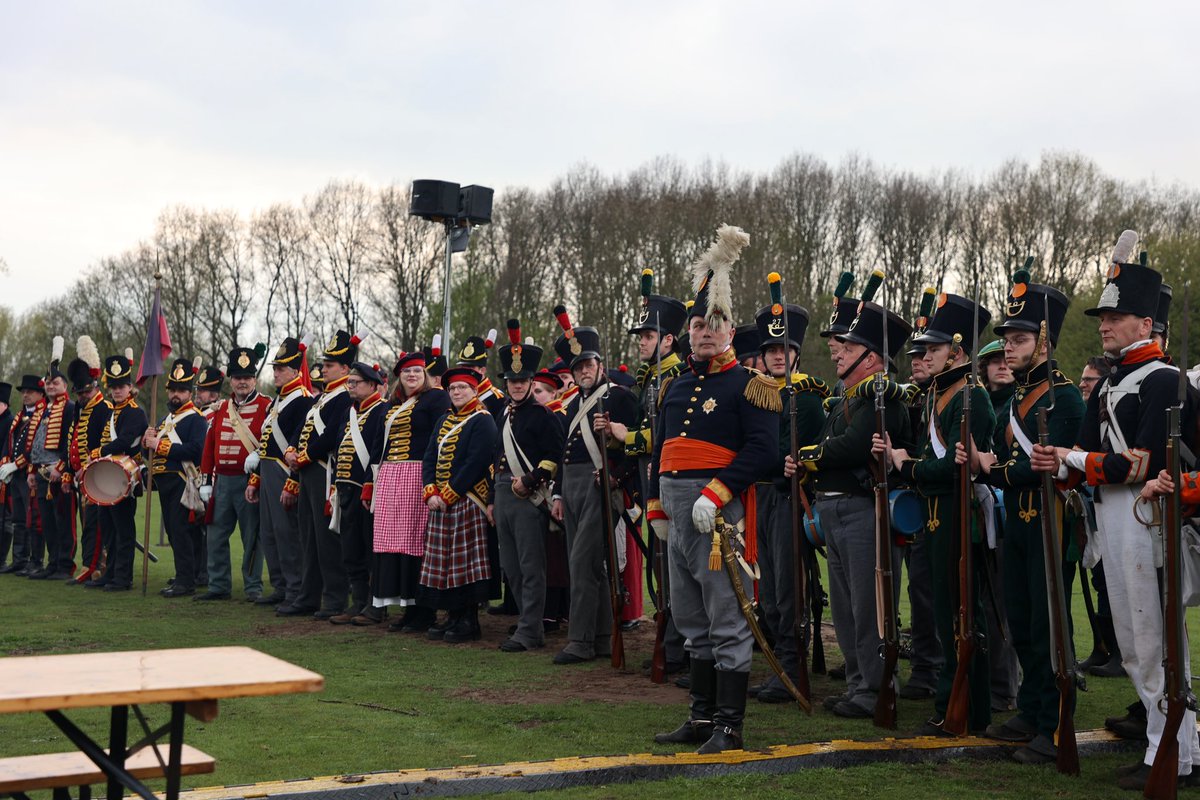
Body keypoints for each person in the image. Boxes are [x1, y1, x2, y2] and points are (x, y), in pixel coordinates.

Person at [1030, 253, 1200, 790]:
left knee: (1156, 644)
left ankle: (1174, 753)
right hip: (1112, 521)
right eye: (1103, 318)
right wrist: (1057, 464)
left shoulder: (1164, 381)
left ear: (1144, 324)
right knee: (1132, 645)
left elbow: (1141, 463)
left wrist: (1072, 460)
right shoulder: (1105, 386)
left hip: (1147, 520)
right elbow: (1082, 455)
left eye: (1114, 317)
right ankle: (1169, 747)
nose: (1103, 325)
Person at [647, 225, 780, 753]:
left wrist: (717, 493)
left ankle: (730, 723)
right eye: (699, 324)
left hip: (718, 514)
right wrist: (656, 506)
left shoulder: (751, 385)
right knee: (689, 615)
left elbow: (764, 452)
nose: (705, 333)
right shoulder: (676, 385)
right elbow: (661, 450)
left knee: (727, 616)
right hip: (677, 513)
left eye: (715, 324)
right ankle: (701, 718)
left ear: (730, 332)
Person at [966, 269, 1084, 765]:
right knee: (1018, 618)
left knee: (1047, 624)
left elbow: (1033, 466)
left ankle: (1055, 722)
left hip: (1051, 521)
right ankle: (1032, 710)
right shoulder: (1016, 395)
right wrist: (1001, 469)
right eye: (1007, 340)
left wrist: (1000, 470)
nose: (1008, 349)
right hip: (1018, 519)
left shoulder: (1065, 397)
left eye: (1019, 339)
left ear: (1044, 343)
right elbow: (1006, 463)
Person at [877, 292, 995, 736]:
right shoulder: (938, 396)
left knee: (964, 614)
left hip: (955, 514)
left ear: (958, 353)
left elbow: (956, 469)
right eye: (923, 349)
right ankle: (952, 700)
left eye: (933, 349)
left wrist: (906, 465)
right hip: (933, 513)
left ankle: (967, 705)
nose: (922, 356)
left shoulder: (972, 398)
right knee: (946, 613)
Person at [788, 296, 912, 719]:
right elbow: (830, 443)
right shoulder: (846, 399)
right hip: (834, 511)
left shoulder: (883, 399)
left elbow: (853, 445)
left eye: (847, 345)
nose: (836, 351)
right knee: (844, 608)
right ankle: (859, 682)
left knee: (868, 607)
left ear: (873, 357)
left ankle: (877, 687)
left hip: (864, 511)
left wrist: (807, 455)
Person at [750, 289, 827, 704]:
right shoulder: (755, 393)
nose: (779, 356)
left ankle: (791, 666)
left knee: (787, 589)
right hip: (758, 499)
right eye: (771, 350)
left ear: (796, 353)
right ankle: (780, 665)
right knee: (771, 590)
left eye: (786, 349)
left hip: (786, 499)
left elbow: (806, 452)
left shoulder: (809, 398)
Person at [549, 308, 638, 665]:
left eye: (588, 364)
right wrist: (557, 493)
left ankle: (580, 640)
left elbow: (636, 448)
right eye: (578, 367)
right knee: (591, 565)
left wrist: (617, 476)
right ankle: (601, 638)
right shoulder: (573, 404)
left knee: (582, 561)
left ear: (600, 364)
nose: (584, 371)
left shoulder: (620, 397)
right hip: (571, 485)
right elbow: (562, 451)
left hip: (602, 485)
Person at [624, 273, 689, 675]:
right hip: (653, 482)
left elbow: (669, 436)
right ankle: (671, 644)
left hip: (675, 482)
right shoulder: (650, 378)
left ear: (667, 341)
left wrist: (627, 437)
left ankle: (681, 650)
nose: (642, 342)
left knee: (677, 568)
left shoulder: (678, 377)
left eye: (648, 336)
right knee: (662, 568)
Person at [491, 321, 564, 652]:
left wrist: (531, 480)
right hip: (503, 494)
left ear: (531, 381)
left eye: (522, 381)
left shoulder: (543, 415)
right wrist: (494, 498)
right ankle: (527, 621)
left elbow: (554, 458)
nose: (517, 385)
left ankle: (531, 630)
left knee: (531, 566)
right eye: (512, 381)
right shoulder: (503, 415)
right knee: (511, 567)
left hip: (527, 496)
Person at [370, 351, 450, 632]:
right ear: (399, 377)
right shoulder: (391, 405)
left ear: (425, 374)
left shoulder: (436, 398)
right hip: (391, 477)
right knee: (393, 542)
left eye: (417, 371)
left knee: (416, 541)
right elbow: (379, 445)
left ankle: (423, 610)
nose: (412, 375)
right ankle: (407, 608)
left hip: (418, 475)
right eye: (406, 372)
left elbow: (442, 437)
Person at [420, 366, 499, 643]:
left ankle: (468, 620)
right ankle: (452, 615)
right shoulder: (444, 419)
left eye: (462, 388)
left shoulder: (483, 420)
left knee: (465, 564)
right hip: (440, 501)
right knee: (445, 563)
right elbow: (430, 456)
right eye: (452, 389)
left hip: (468, 499)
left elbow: (476, 462)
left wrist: (449, 494)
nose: (456, 392)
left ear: (475, 391)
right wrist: (430, 491)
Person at [286, 330, 358, 619]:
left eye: (329, 365)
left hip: (324, 470)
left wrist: (303, 456)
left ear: (344, 368)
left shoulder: (343, 397)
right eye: (324, 364)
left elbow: (331, 436)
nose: (324, 368)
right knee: (309, 538)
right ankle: (308, 595)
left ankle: (334, 598)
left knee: (327, 540)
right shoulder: (323, 396)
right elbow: (303, 428)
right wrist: (292, 449)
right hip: (307, 471)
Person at [198, 345, 271, 602]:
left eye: (248, 377)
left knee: (252, 536)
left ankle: (253, 587)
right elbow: (209, 449)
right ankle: (219, 585)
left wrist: (259, 454)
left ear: (255, 379)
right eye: (238, 377)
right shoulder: (221, 409)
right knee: (216, 535)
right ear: (231, 379)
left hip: (250, 481)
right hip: (222, 482)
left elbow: (272, 442)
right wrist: (206, 481)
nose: (243, 382)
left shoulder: (266, 406)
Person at [247, 337, 315, 613]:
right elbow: (266, 442)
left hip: (285, 471)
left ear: (296, 371)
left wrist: (291, 482)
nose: (275, 372)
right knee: (269, 533)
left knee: (288, 534)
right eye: (275, 368)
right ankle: (280, 586)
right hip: (267, 470)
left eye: (281, 368)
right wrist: (255, 478)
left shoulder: (303, 401)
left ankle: (295, 588)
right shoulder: (278, 401)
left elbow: (300, 442)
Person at [898, 288, 942, 701]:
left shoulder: (948, 399)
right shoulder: (915, 401)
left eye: (927, 354)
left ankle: (932, 669)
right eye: (914, 357)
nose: (919, 363)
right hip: (915, 507)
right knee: (919, 591)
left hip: (941, 504)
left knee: (933, 594)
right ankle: (926, 666)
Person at [976, 337, 1020, 714]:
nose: (1002, 365)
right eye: (993, 362)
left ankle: (1005, 688)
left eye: (1005, 359)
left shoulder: (1018, 404)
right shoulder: (981, 404)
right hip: (983, 508)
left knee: (1002, 606)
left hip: (1009, 509)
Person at [143, 357, 208, 597]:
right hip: (164, 482)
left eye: (181, 390)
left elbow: (196, 451)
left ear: (189, 393)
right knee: (173, 531)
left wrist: (159, 445)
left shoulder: (196, 419)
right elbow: (149, 452)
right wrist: (145, 442)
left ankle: (186, 581)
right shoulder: (164, 420)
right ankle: (184, 575)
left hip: (182, 480)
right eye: (173, 390)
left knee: (181, 531)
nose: (176, 395)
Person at [328, 361, 387, 624]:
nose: (350, 386)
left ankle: (376, 606)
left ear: (372, 385)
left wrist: (369, 485)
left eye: (356, 382)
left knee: (371, 549)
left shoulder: (381, 411)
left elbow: (378, 453)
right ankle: (359, 602)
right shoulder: (349, 412)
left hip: (367, 490)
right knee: (350, 548)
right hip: (345, 488)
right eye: (349, 382)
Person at [87, 351, 148, 591]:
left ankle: (123, 578)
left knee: (124, 531)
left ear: (130, 386)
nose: (117, 391)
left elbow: (123, 442)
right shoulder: (112, 412)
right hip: (106, 477)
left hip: (124, 479)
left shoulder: (135, 412)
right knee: (108, 530)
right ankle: (110, 573)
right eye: (113, 386)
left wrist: (99, 450)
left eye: (121, 386)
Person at [64, 336, 110, 584]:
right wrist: (70, 471)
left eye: (86, 391)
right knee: (87, 524)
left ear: (95, 386)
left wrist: (88, 468)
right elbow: (72, 443)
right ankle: (91, 565)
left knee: (96, 525)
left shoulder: (104, 408)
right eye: (80, 392)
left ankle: (96, 567)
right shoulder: (79, 409)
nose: (82, 396)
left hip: (96, 476)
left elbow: (102, 444)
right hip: (80, 477)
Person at [30, 339, 75, 581]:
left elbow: (70, 442)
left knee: (63, 520)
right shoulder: (42, 410)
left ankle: (65, 564)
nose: (50, 386)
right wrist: (31, 470)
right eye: (47, 382)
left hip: (58, 472)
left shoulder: (69, 408)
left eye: (55, 382)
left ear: (64, 385)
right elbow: (34, 443)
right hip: (40, 472)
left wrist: (62, 467)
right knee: (47, 521)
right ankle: (53, 561)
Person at [0, 375, 48, 576]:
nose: (26, 395)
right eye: (24, 392)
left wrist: (15, 464)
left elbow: (34, 448)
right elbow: (9, 444)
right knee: (19, 519)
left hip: (30, 472)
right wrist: (5, 463)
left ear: (40, 394)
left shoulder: (43, 415)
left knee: (33, 519)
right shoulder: (21, 417)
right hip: (17, 475)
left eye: (30, 392)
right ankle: (19, 559)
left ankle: (34, 560)